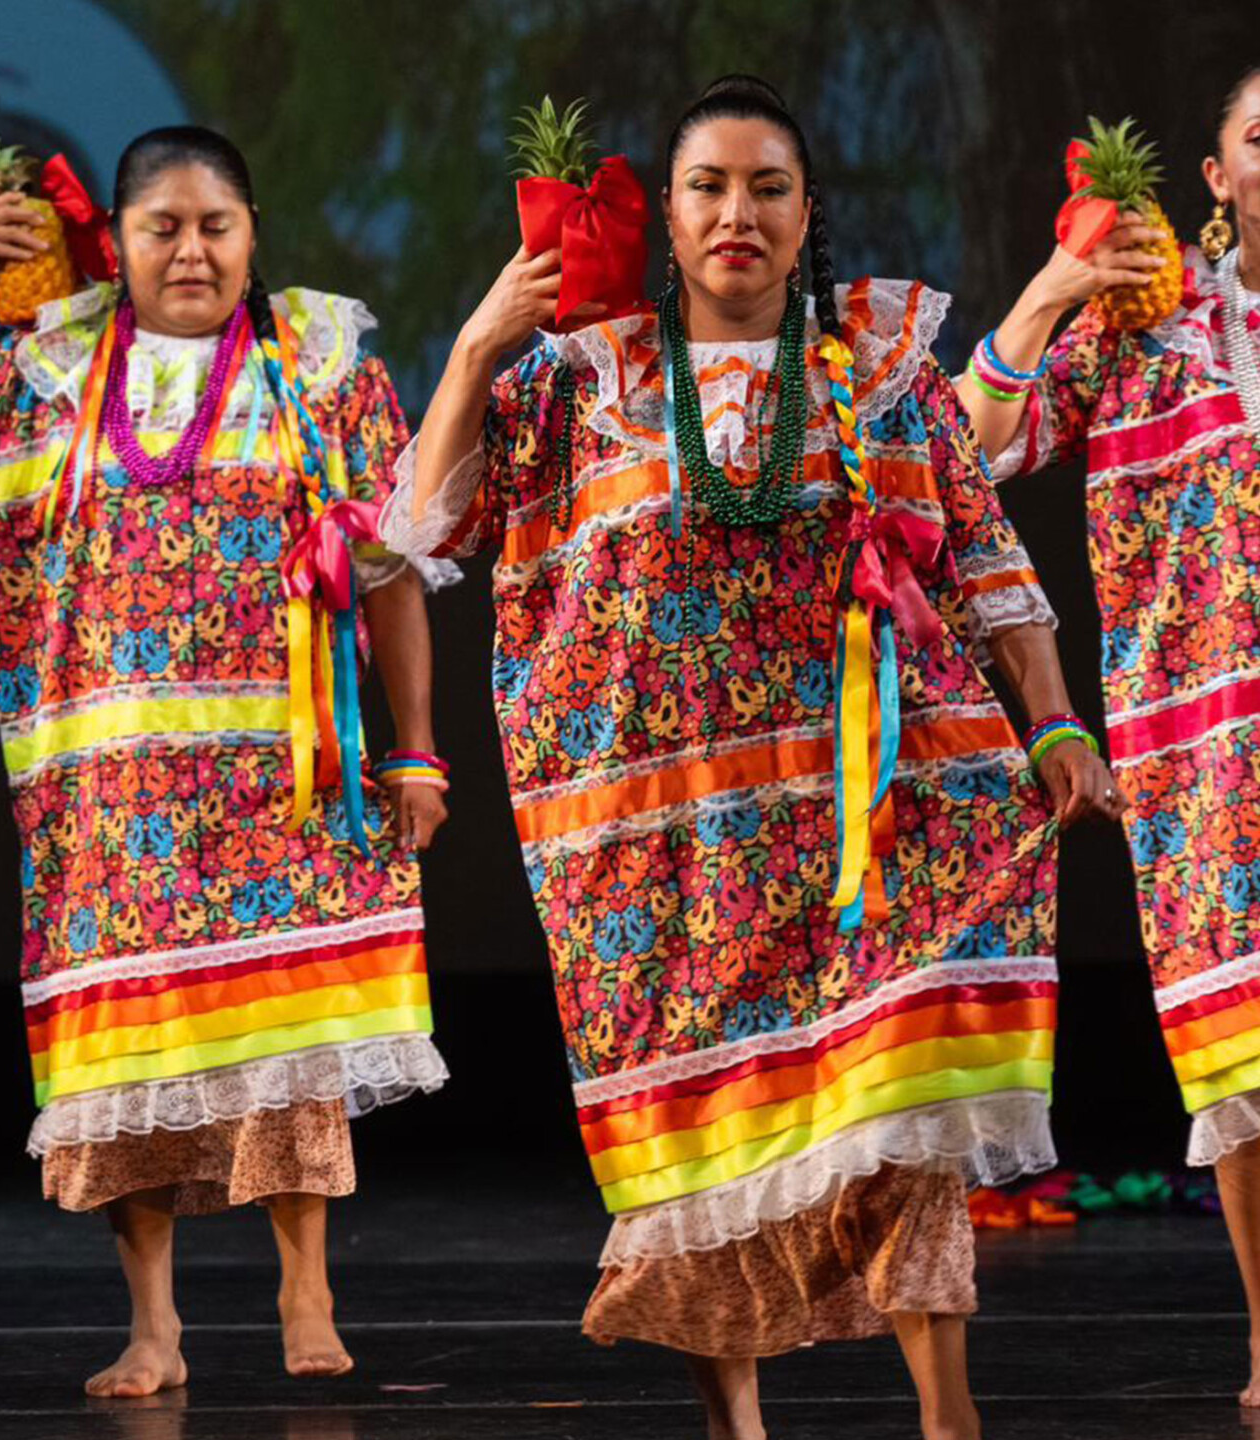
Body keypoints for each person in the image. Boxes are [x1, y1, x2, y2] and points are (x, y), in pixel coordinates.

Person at [391, 75, 1120, 1440]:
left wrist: (1059, 718)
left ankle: (948, 1419)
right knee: (701, 1146)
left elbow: (982, 550)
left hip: (869, 814)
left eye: (767, 187)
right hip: (659, 846)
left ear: (806, 213)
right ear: (664, 218)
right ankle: (737, 1425)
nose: (738, 213)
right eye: (708, 188)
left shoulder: (879, 368)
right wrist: (479, 348)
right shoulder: (581, 379)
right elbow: (424, 527)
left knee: (903, 1104)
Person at [0, 124, 453, 1396]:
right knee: (126, 1060)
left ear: (251, 235)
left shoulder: (321, 363)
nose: (190, 249)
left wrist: (415, 750)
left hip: (283, 771)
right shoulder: (48, 365)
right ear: (113, 244)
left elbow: (391, 569)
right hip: (108, 793)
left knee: (290, 1035)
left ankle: (305, 1287)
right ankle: (155, 1327)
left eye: (215, 225)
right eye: (161, 227)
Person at [955, 64, 1260, 1409]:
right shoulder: (1147, 323)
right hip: (1206, 750)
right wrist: (1055, 289)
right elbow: (972, 450)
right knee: (1243, 1055)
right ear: (1214, 177)